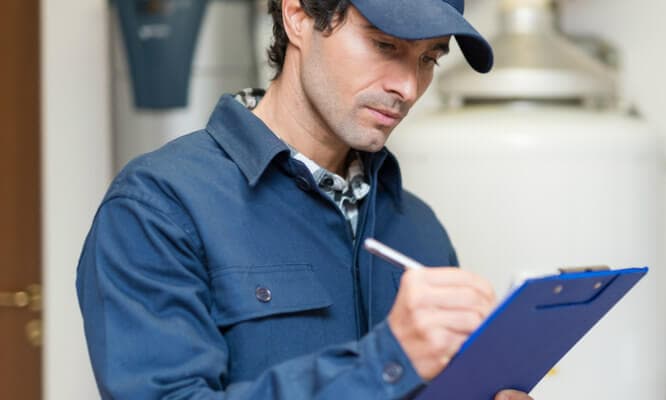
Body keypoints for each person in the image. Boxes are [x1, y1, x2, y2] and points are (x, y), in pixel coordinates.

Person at [76, 0, 533, 398]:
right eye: (384, 46)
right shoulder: (159, 208)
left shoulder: (418, 225)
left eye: (429, 59)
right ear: (298, 15)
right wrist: (384, 363)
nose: (408, 88)